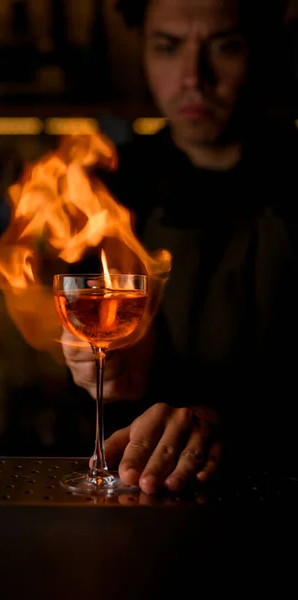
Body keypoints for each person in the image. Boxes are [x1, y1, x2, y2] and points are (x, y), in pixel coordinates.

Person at [62, 0, 298, 496]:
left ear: (264, 49)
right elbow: (90, 368)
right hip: (143, 490)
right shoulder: (111, 186)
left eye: (224, 47)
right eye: (167, 47)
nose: (193, 77)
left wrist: (223, 424)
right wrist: (103, 373)